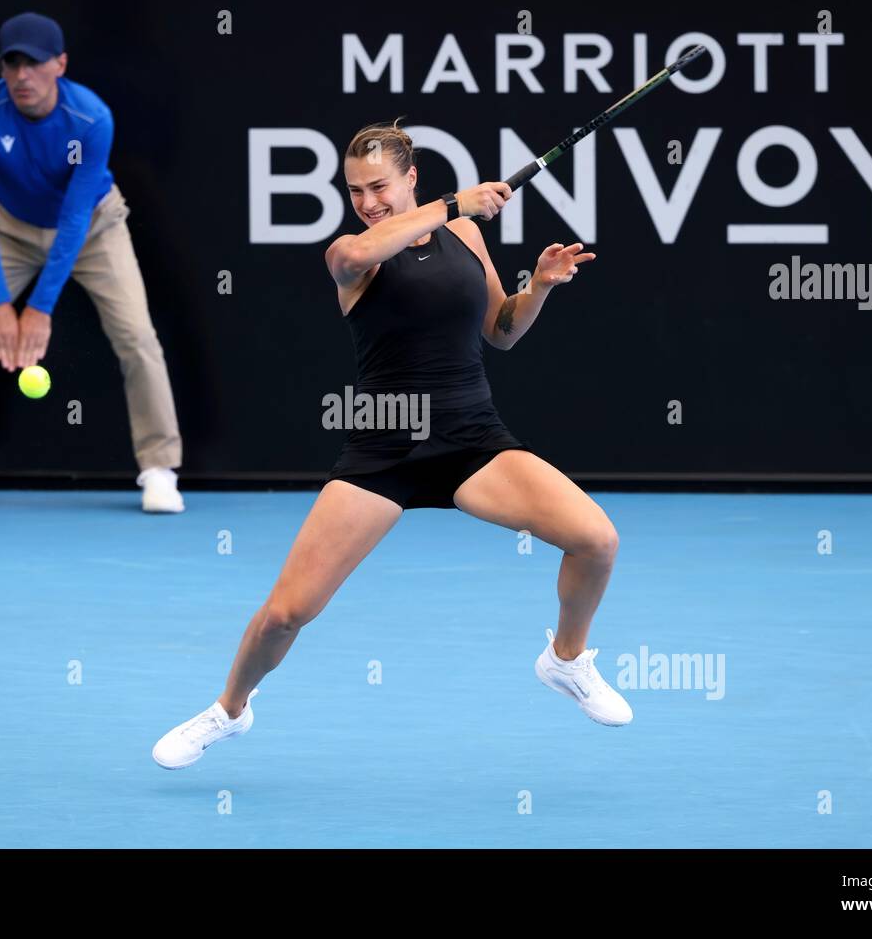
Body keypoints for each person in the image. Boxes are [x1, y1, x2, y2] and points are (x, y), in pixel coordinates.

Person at [152, 119, 628, 770]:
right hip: (384, 451)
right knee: (285, 614)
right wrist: (454, 203)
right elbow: (355, 256)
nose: (368, 201)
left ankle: (565, 660)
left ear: (411, 176)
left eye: (379, 185)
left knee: (597, 540)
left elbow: (502, 330)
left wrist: (538, 287)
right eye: (355, 191)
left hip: (471, 439)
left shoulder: (464, 234)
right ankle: (228, 710)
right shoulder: (351, 252)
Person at [0, 11, 184, 514]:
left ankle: (160, 470)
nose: (23, 75)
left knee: (137, 335)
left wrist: (39, 308)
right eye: (13, 64)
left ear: (60, 65)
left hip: (92, 228)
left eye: (34, 63)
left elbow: (73, 220)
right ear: (2, 69)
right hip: (7, 229)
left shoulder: (92, 119)